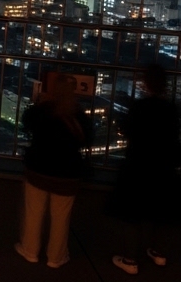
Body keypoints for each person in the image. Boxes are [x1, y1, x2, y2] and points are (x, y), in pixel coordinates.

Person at [15, 73, 93, 270]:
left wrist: (40, 102)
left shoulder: (41, 112)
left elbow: (26, 122)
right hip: (67, 174)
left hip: (39, 170)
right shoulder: (78, 117)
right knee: (61, 218)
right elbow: (88, 138)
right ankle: (56, 257)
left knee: (34, 212)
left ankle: (30, 250)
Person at [108, 64, 179, 275]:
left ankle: (130, 259)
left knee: (132, 212)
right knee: (163, 211)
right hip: (163, 166)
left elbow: (128, 130)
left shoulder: (139, 107)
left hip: (138, 165)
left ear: (145, 83)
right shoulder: (171, 109)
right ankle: (159, 253)